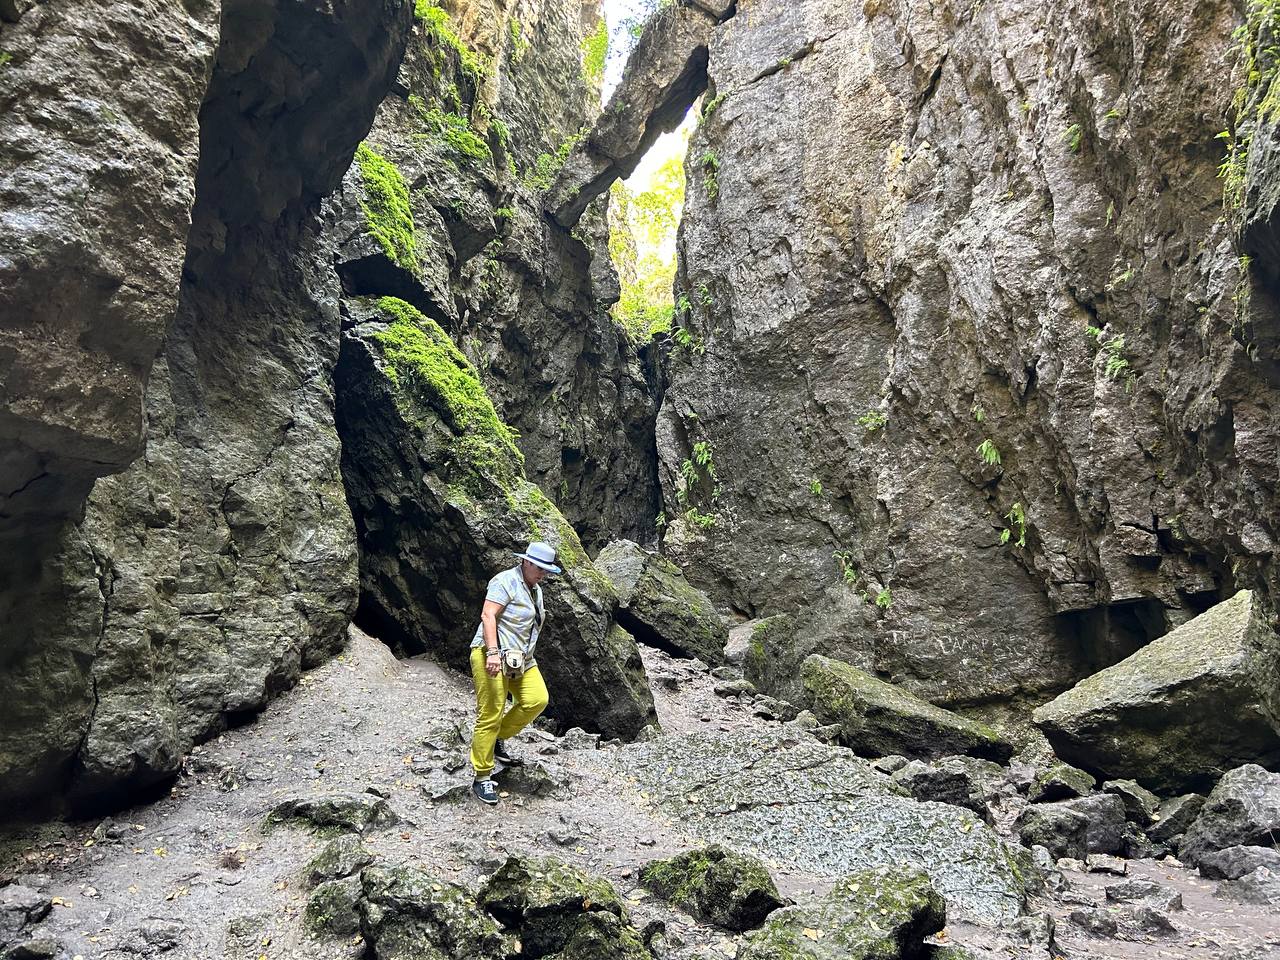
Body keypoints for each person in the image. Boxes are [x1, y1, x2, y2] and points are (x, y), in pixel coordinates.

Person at [468, 540, 560, 805]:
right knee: (491, 712)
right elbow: (488, 616)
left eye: (546, 569)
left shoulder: (536, 590)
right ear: (526, 562)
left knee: (537, 699)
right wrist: (493, 652)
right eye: (540, 568)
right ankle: (482, 776)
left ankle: (497, 739)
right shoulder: (504, 581)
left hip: (521, 660)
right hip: (491, 653)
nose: (543, 573)